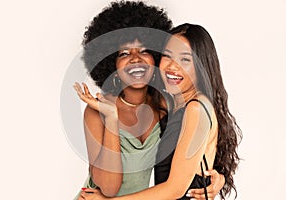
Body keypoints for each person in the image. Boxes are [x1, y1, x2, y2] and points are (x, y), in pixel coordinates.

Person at [74, 1, 224, 199]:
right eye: (124, 53)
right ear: (112, 66)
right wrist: (111, 118)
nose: (136, 59)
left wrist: (217, 178)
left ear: (155, 58)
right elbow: (109, 188)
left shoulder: (166, 104)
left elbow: (202, 144)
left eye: (144, 51)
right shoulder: (97, 112)